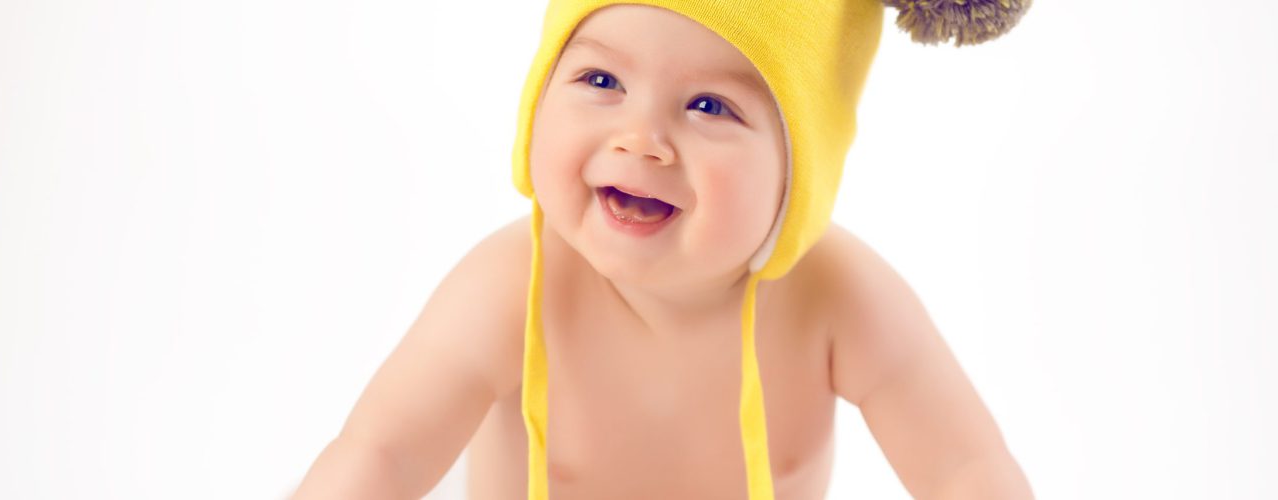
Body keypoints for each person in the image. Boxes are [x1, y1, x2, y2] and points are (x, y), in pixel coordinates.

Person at [292, 0, 1033, 498]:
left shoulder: (837, 297)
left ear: (800, 168)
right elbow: (379, 457)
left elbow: (966, 468)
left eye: (710, 106)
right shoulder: (512, 284)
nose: (640, 138)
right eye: (600, 79)